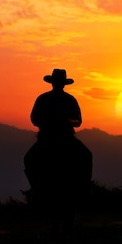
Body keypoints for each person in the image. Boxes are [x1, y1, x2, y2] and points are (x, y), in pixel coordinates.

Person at [24, 69, 92, 235]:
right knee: (29, 159)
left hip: (58, 136)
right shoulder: (61, 99)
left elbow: (77, 121)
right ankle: (39, 189)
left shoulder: (48, 99)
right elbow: (35, 119)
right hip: (51, 136)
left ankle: (79, 190)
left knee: (30, 159)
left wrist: (62, 120)